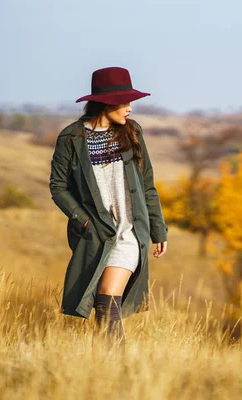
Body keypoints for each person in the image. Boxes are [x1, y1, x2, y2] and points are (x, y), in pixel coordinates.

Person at [49, 66, 168, 345]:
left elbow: (147, 183)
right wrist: (83, 220)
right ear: (105, 102)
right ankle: (111, 364)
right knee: (103, 303)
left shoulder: (133, 132)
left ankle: (116, 363)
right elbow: (58, 186)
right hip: (96, 234)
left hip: (129, 231)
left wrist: (158, 229)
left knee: (107, 296)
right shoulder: (72, 138)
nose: (129, 108)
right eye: (124, 102)